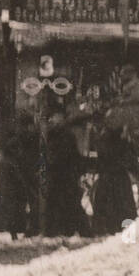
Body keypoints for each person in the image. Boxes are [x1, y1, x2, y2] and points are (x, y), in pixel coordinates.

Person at [39, 100, 92, 238]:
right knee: (63, 204)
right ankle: (59, 232)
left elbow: (68, 155)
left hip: (65, 176)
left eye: (56, 116)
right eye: (52, 117)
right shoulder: (55, 134)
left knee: (69, 204)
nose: (53, 120)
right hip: (59, 176)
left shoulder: (64, 134)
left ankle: (76, 232)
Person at [0, 110, 41, 240]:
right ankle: (18, 230)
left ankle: (5, 230)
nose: (26, 128)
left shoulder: (18, 140)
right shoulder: (25, 140)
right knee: (17, 204)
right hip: (18, 177)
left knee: (9, 204)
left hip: (18, 177)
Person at [90, 113, 138, 236]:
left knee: (107, 207)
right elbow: (131, 160)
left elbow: (102, 159)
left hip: (107, 178)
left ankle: (104, 231)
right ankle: (125, 233)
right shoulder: (122, 141)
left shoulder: (104, 139)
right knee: (124, 208)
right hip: (120, 178)